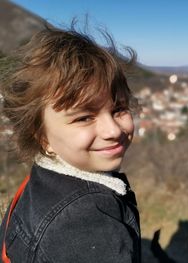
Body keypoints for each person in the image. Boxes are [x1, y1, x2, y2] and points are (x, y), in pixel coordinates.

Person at [0, 23, 141, 262]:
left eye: (119, 109)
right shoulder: (86, 223)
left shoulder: (41, 185)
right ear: (42, 137)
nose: (113, 130)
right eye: (84, 117)